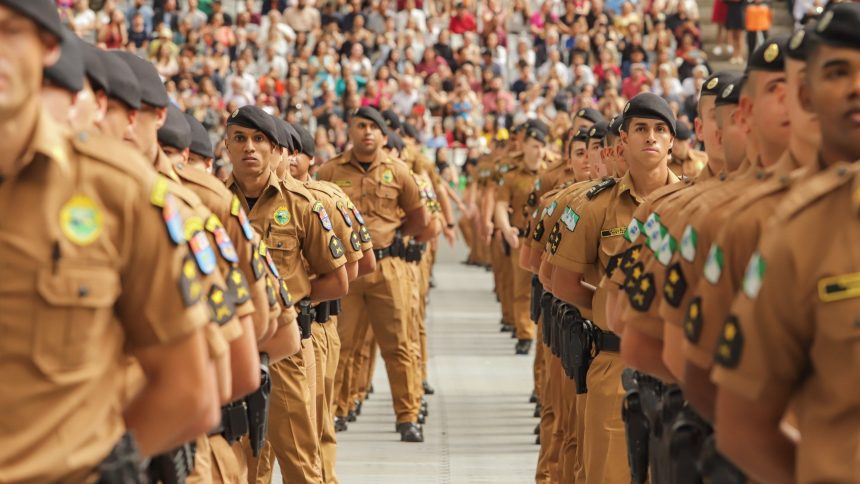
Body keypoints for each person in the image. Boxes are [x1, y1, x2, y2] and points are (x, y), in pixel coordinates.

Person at [0, 1, 219, 481]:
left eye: (10, 31)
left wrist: (104, 467)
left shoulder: (118, 193)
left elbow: (188, 387)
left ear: (49, 48)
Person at [713, 5, 860, 483]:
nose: (857, 86)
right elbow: (739, 423)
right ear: (808, 96)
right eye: (838, 73)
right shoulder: (797, 231)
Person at [549, 93, 681, 484]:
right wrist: (610, 310)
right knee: (608, 474)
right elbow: (561, 282)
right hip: (616, 360)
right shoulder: (597, 206)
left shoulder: (692, 204)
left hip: (677, 365)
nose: (651, 137)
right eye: (640, 129)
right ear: (622, 140)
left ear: (672, 140)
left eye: (660, 129)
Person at [223, 105, 349, 483]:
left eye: (259, 139)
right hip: (227, 343)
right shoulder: (210, 202)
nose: (249, 148)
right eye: (240, 139)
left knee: (298, 455)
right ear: (226, 146)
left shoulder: (301, 204)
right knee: (232, 458)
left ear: (275, 149)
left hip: (285, 346)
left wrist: (292, 301)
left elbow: (338, 280)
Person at [315, 107, 430, 443]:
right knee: (342, 345)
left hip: (387, 267)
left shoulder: (399, 170)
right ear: (349, 131)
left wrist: (393, 238)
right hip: (346, 271)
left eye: (373, 127)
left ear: (383, 135)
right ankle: (334, 411)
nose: (366, 132)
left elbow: (419, 218)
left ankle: (408, 416)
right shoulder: (330, 170)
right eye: (360, 126)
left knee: (399, 345)